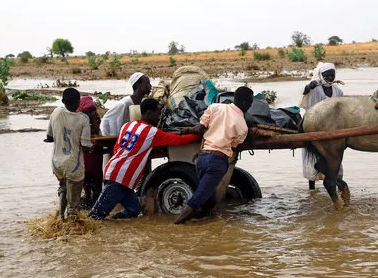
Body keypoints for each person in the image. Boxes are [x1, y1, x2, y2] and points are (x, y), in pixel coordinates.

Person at [88, 98, 200, 220]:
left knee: (133, 210)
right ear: (149, 112)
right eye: (157, 113)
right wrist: (198, 134)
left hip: (118, 174)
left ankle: (113, 225)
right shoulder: (151, 132)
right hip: (119, 178)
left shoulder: (127, 125)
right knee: (95, 217)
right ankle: (80, 231)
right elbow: (179, 140)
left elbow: (116, 149)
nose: (159, 118)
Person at [173, 86, 254, 225]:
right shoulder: (242, 126)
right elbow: (234, 145)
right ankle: (177, 224)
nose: (251, 105)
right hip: (217, 163)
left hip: (202, 159)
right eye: (251, 102)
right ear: (246, 102)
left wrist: (187, 129)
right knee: (198, 197)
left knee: (209, 198)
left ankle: (205, 223)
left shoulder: (215, 107)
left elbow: (199, 129)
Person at [46, 88, 93, 219]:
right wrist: (92, 147)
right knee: (73, 206)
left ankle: (60, 216)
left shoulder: (56, 112)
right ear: (79, 102)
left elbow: (49, 136)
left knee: (63, 186)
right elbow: (85, 145)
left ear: (63, 101)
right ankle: (72, 229)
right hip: (74, 166)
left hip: (56, 163)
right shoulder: (83, 119)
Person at [300, 62, 344, 190]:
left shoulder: (337, 90)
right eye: (327, 75)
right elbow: (304, 93)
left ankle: (336, 183)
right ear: (320, 75)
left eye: (332, 75)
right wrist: (310, 86)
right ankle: (312, 188)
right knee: (312, 156)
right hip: (313, 125)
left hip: (331, 127)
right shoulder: (314, 89)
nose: (330, 78)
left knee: (334, 155)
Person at [100, 72, 151, 136]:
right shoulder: (124, 104)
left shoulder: (140, 103)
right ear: (138, 84)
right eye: (147, 83)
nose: (150, 86)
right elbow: (107, 120)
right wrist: (113, 137)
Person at [77, 96, 103, 209]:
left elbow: (98, 131)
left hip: (95, 151)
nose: (92, 113)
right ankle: (87, 201)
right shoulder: (78, 119)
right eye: (89, 111)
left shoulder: (95, 118)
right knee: (86, 179)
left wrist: (92, 119)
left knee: (97, 179)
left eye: (93, 110)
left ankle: (96, 204)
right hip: (85, 152)